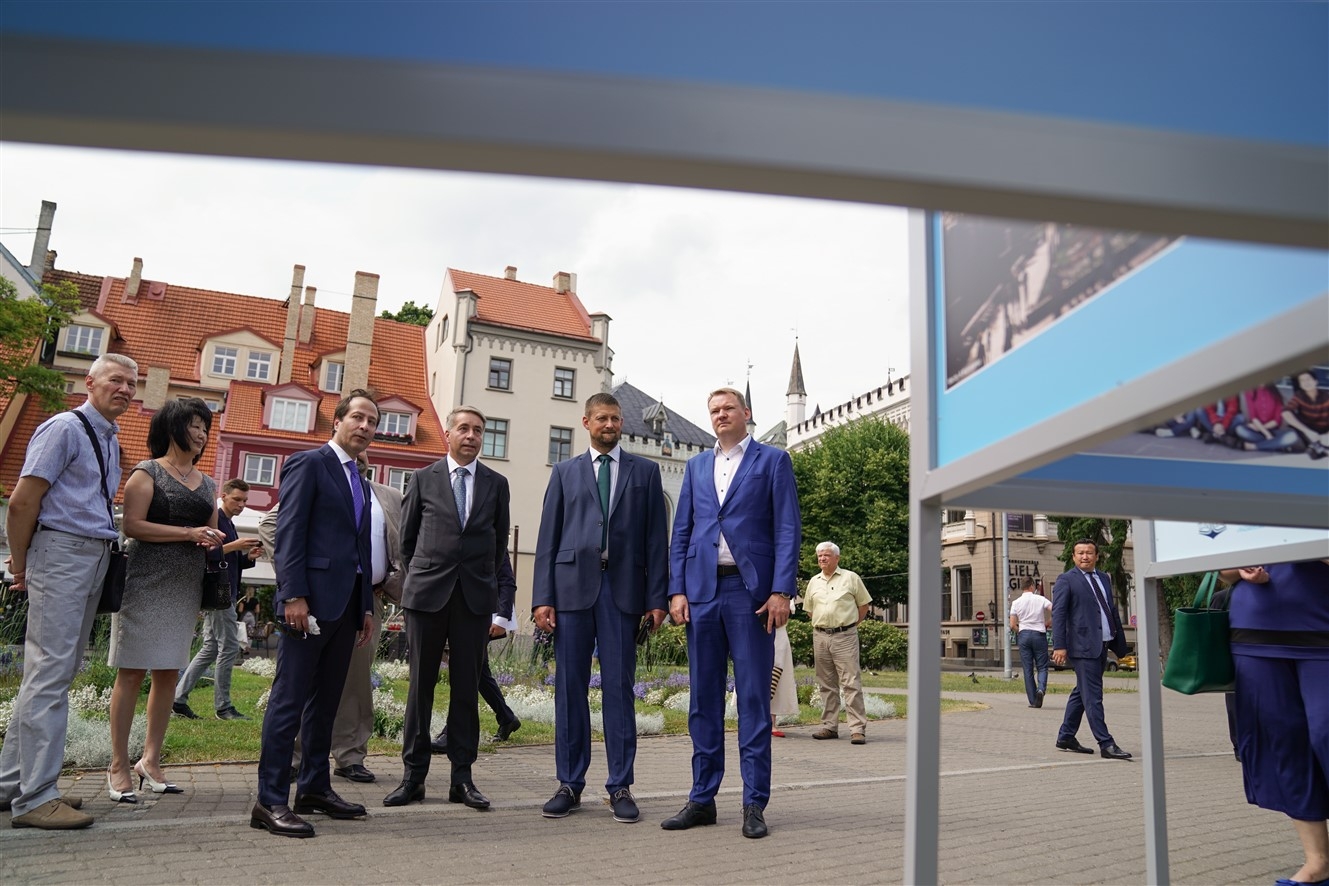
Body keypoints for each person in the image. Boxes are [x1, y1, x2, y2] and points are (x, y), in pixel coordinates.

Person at [0, 353, 139, 829]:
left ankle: (12, 785)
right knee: (49, 675)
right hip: (62, 552)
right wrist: (21, 562)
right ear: (89, 382)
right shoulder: (64, 428)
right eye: (116, 380)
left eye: (132, 383)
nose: (125, 390)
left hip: (90, 554)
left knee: (51, 674)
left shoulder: (108, 437)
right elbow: (22, 502)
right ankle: (36, 798)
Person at [661, 387, 801, 840]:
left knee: (753, 699)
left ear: (746, 413)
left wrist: (781, 590)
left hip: (750, 594)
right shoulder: (696, 465)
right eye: (714, 411)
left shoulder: (773, 461)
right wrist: (676, 589)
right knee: (703, 700)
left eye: (728, 409)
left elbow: (787, 528)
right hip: (702, 592)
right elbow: (682, 531)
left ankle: (753, 803)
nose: (720, 415)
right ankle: (702, 799)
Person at [531, 392, 669, 824]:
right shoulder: (564, 472)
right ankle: (569, 784)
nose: (610, 425)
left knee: (619, 691)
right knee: (569, 689)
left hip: (624, 594)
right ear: (586, 422)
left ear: (621, 422)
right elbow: (547, 538)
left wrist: (657, 599)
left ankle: (620, 786)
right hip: (571, 592)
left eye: (615, 418)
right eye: (602, 418)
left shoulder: (645, 472)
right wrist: (542, 597)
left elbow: (656, 540)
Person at [251, 390, 378, 838]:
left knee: (326, 703)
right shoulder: (309, 464)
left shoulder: (359, 479)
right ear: (337, 421)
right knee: (289, 700)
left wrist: (365, 606)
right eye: (358, 417)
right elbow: (289, 532)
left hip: (346, 607)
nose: (365, 426)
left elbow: (360, 548)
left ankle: (314, 788)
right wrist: (293, 596)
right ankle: (269, 800)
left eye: (372, 421)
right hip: (308, 605)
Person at [385, 406, 510, 812]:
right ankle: (413, 778)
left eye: (478, 430)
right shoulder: (423, 478)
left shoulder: (497, 484)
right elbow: (406, 543)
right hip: (426, 597)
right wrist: (425, 576)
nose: (471, 436)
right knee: (420, 687)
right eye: (464, 429)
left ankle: (462, 779)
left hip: (473, 599)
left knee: (466, 689)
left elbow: (498, 544)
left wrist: (483, 584)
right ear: (449, 433)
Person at [107, 397, 222, 802]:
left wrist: (211, 539)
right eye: (194, 424)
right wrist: (189, 534)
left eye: (205, 427)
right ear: (172, 427)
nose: (202, 433)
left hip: (185, 586)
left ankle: (150, 761)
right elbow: (133, 526)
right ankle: (118, 764)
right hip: (145, 582)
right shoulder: (147, 472)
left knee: (169, 673)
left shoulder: (208, 484)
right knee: (131, 672)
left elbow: (208, 531)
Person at [267, 454, 403, 785]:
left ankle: (350, 755)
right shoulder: (319, 478)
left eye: (366, 448)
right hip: (317, 596)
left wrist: (391, 580)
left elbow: (402, 544)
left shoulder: (388, 496)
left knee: (355, 683)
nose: (359, 456)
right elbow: (272, 525)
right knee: (304, 682)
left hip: (366, 601)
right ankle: (294, 758)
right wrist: (297, 579)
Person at [1222, 560, 1329, 886]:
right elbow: (1223, 571)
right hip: (1255, 631)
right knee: (1284, 744)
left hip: (1321, 627)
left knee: (1325, 733)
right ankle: (1318, 863)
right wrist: (1240, 569)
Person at [174, 478, 263, 721]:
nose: (241, 504)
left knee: (211, 648)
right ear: (223, 497)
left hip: (224, 591)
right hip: (219, 592)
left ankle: (178, 700)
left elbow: (227, 560)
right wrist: (235, 545)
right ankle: (223, 707)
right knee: (229, 647)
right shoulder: (216, 520)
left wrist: (248, 557)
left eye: (244, 501)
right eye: (237, 499)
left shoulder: (229, 523)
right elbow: (205, 553)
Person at [430, 551, 522, 753]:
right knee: (478, 671)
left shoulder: (490, 534)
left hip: (481, 615)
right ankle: (506, 717)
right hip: (457, 611)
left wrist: (502, 617)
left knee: (467, 670)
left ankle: (452, 733)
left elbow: (506, 578)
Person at [1051, 538, 1131, 760]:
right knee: (1093, 696)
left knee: (1082, 692)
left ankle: (1066, 736)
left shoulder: (1104, 578)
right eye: (1080, 553)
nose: (1084, 557)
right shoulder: (1066, 580)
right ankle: (1106, 743)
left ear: (1096, 556)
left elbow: (1109, 609)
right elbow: (1058, 614)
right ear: (1073, 556)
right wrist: (1059, 645)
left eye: (1088, 553)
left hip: (1102, 643)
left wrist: (1118, 640)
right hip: (1082, 646)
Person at [803, 542, 872, 744]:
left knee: (851, 683)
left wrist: (849, 625)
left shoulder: (851, 578)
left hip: (845, 636)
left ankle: (857, 729)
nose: (822, 558)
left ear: (837, 558)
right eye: (819, 556)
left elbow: (864, 606)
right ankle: (829, 726)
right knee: (826, 684)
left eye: (826, 555)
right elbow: (810, 610)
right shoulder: (813, 582)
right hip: (820, 636)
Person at [1009, 576, 1052, 708]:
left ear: (1022, 587)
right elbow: (1055, 609)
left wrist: (1020, 631)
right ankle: (1041, 689)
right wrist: (1048, 622)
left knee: (1028, 669)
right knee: (1042, 666)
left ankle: (1033, 700)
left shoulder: (1016, 603)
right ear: (1032, 586)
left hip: (1024, 635)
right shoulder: (1040, 599)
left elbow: (1012, 625)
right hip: (1039, 634)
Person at [1282, 369, 1329, 459]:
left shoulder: (1326, 396)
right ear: (1300, 385)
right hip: (1307, 432)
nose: (1306, 382)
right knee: (1290, 437)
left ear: (1315, 381)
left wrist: (1327, 435)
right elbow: (1286, 412)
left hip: (1324, 432)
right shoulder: (1299, 396)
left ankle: (1319, 448)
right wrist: (1307, 431)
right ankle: (1317, 448)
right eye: (1302, 381)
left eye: (1308, 379)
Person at [769, 599, 799, 738]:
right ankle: (752, 720)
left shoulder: (782, 593)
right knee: (752, 676)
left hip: (778, 633)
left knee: (776, 677)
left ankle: (772, 723)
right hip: (754, 631)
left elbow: (783, 615)